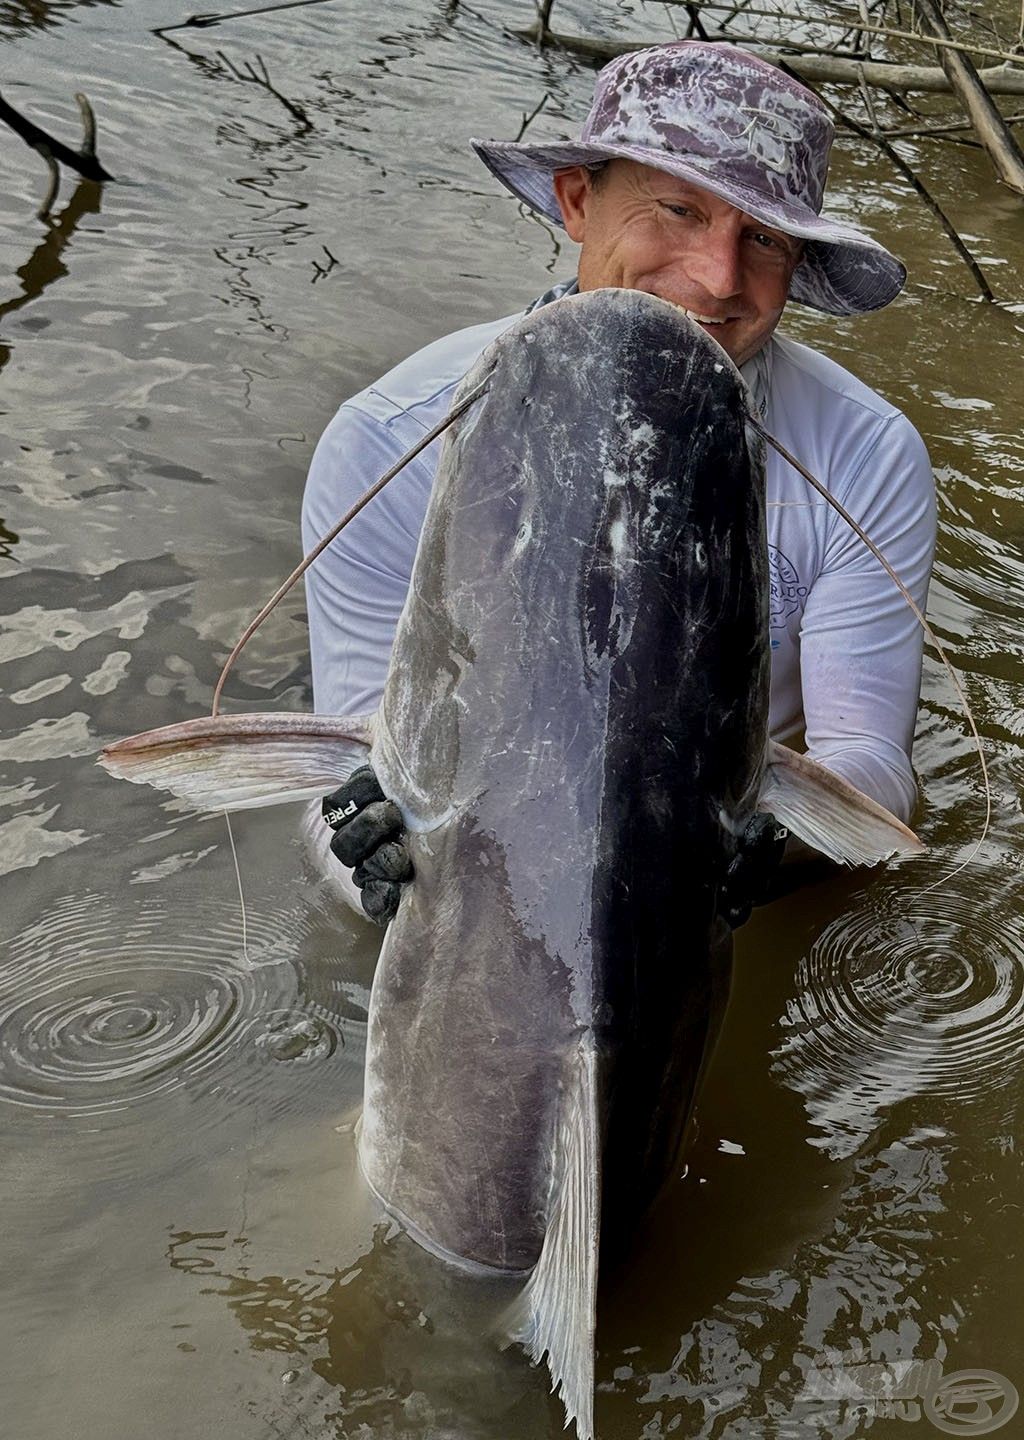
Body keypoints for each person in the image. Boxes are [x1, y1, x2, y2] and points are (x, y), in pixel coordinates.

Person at [302, 40, 936, 925]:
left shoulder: (864, 455)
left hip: (710, 868)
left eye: (762, 238)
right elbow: (347, 770)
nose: (719, 277)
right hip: (493, 873)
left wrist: (771, 847)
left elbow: (870, 764)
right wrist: (358, 853)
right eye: (677, 210)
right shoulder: (389, 438)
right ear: (576, 202)